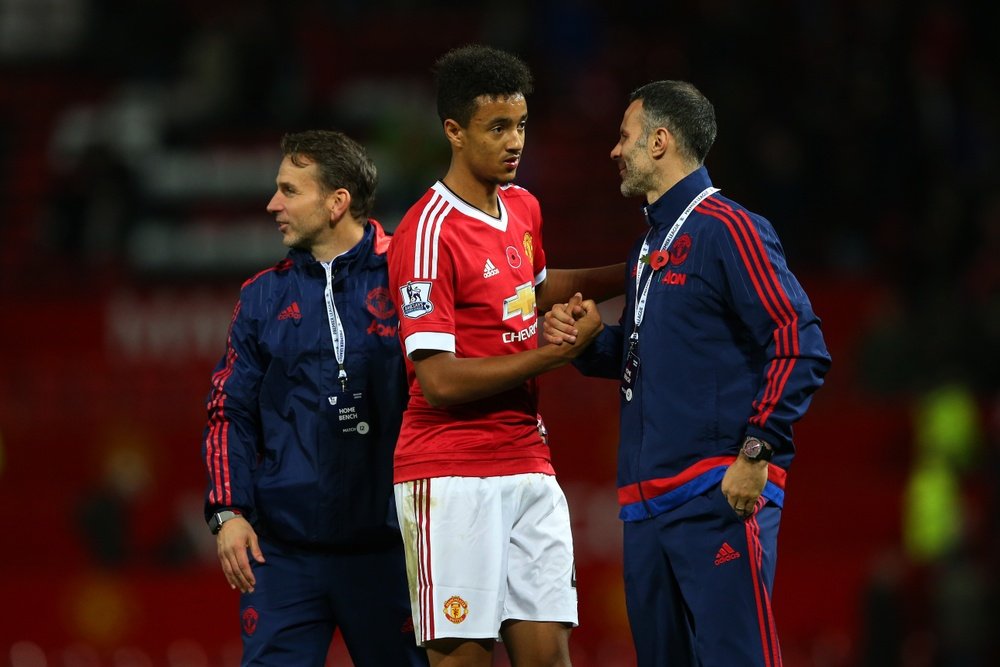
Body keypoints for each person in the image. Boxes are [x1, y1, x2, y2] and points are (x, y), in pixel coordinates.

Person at [544, 81, 832, 666]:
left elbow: (800, 341)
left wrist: (757, 451)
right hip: (646, 508)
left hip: (714, 493)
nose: (614, 151)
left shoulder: (729, 228)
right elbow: (653, 359)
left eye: (623, 136)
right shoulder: (648, 247)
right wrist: (589, 345)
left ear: (659, 140)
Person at [386, 44, 622, 667]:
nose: (515, 141)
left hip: (527, 457)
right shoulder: (425, 233)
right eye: (497, 128)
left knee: (549, 658)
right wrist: (552, 355)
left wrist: (633, 273)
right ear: (454, 131)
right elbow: (437, 381)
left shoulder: (523, 206)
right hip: (451, 471)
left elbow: (533, 290)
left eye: (520, 125)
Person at [201, 130, 428, 667]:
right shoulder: (262, 297)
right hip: (283, 552)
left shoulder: (410, 273)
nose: (272, 204)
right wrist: (229, 511)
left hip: (394, 548)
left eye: (288, 190)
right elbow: (227, 411)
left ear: (336, 202)